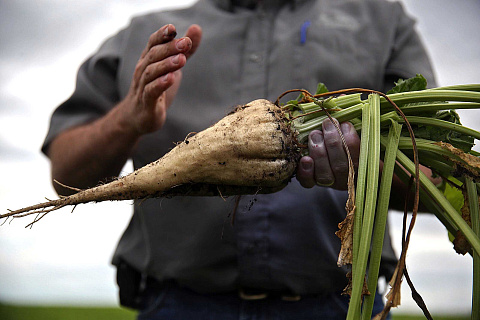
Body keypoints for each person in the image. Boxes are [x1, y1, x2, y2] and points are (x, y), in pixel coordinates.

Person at [41, 0, 437, 319]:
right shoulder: (145, 34)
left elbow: (436, 176)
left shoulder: (382, 20)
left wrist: (365, 168)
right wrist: (127, 118)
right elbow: (66, 176)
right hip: (176, 306)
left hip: (341, 304)